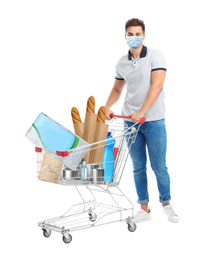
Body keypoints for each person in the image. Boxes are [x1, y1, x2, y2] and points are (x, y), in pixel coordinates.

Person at [105, 18, 179, 223]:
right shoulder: (121, 62)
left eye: (138, 34)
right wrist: (107, 107)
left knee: (159, 167)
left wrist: (143, 111)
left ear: (144, 36)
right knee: (138, 166)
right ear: (125, 36)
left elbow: (157, 85)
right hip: (130, 121)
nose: (134, 37)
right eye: (131, 34)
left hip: (153, 120)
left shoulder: (156, 56)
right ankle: (144, 209)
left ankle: (166, 204)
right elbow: (117, 89)